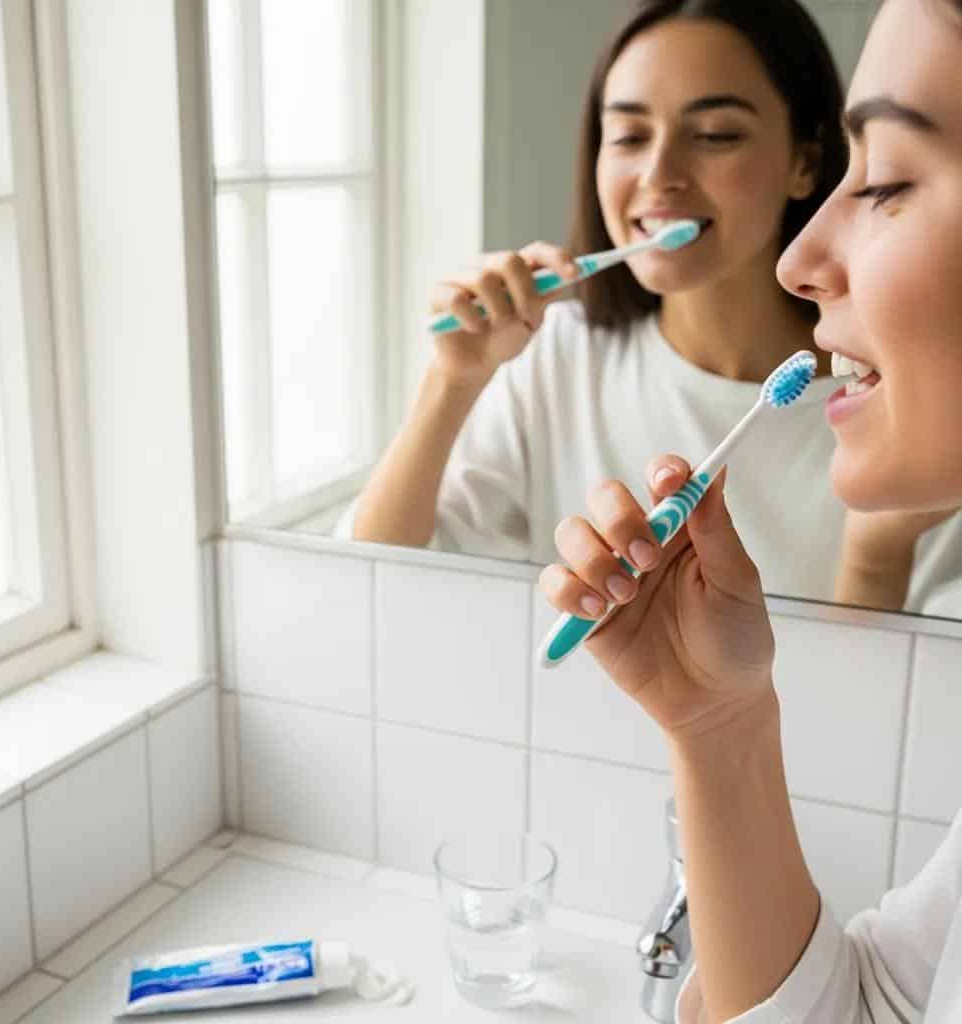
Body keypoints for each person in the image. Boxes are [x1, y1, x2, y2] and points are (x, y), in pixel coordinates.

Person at [539, 0, 962, 1018]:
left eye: (890, 179)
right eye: (626, 128)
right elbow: (881, 1010)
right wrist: (717, 723)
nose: (798, 258)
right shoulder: (559, 359)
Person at [345, 0, 857, 607]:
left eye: (715, 134)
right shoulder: (556, 357)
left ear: (805, 162)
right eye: (630, 136)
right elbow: (371, 585)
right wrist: (452, 381)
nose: (658, 173)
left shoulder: (886, 408)